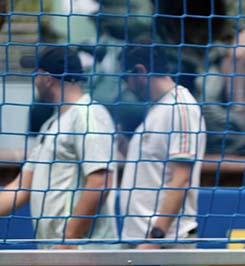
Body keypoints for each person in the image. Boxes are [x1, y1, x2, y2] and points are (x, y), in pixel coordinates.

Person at [0, 46, 117, 248]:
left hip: (85, 253)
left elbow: (100, 181)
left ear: (46, 79)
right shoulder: (51, 125)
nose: (34, 81)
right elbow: (22, 187)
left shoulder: (88, 115)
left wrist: (68, 239)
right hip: (58, 252)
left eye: (36, 74)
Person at [118, 42, 207, 248]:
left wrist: (155, 238)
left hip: (165, 243)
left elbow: (181, 179)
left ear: (140, 71)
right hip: (141, 241)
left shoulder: (180, 107)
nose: (126, 86)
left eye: (126, 78)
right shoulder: (158, 109)